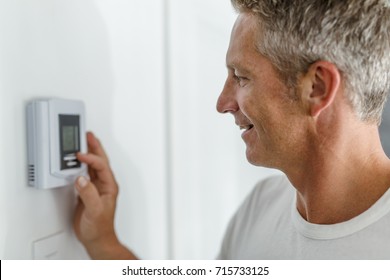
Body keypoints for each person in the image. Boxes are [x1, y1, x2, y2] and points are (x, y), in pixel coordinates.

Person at [74, 0, 390, 259]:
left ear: (318, 87)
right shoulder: (261, 207)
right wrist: (103, 242)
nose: (223, 103)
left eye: (240, 76)